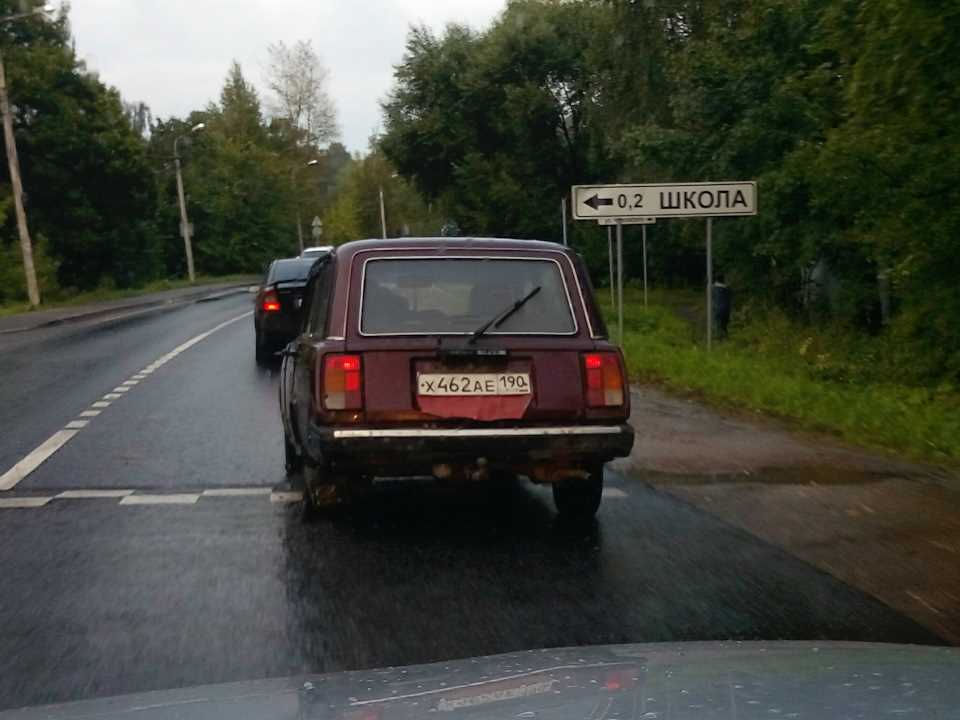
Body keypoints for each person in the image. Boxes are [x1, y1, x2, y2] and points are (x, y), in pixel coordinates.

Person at [712, 273, 732, 339]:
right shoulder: (727, 289)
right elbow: (730, 298)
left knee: (717, 324)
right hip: (726, 309)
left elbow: (712, 298)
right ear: (723, 280)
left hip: (717, 308)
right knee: (724, 325)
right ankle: (725, 336)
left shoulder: (713, 288)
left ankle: (719, 337)